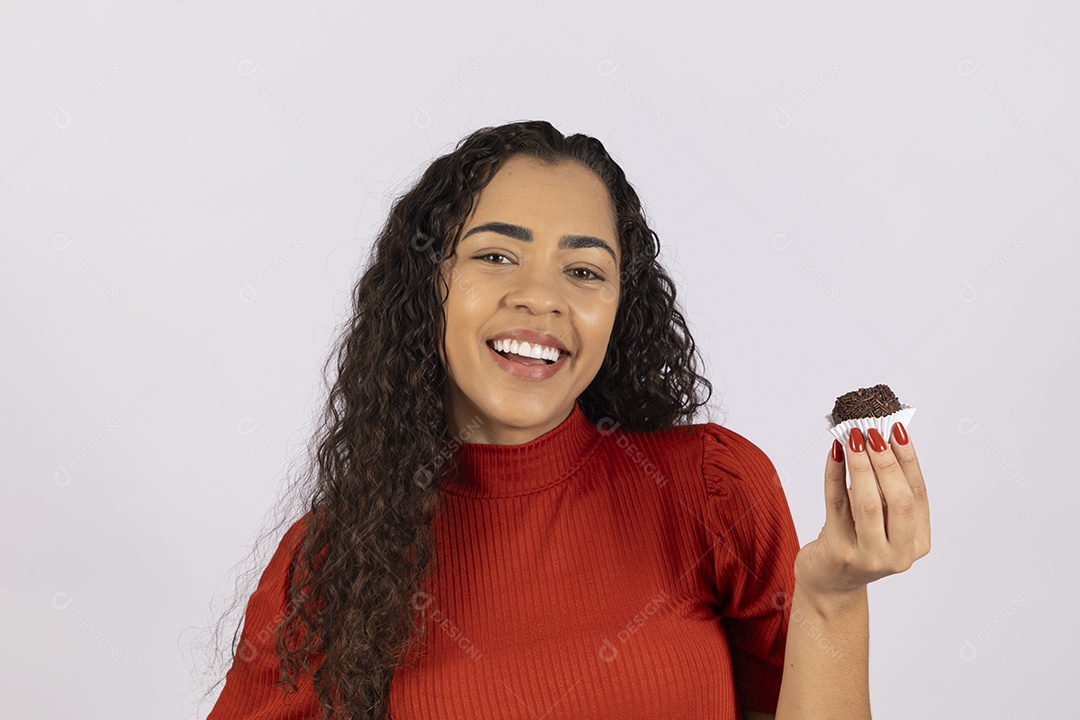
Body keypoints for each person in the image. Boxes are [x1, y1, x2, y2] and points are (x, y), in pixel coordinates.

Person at [204, 120, 930, 720]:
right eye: (496, 255)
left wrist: (832, 596)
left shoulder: (713, 487)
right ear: (431, 286)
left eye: (583, 271)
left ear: (620, 306)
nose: (540, 298)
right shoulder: (334, 560)